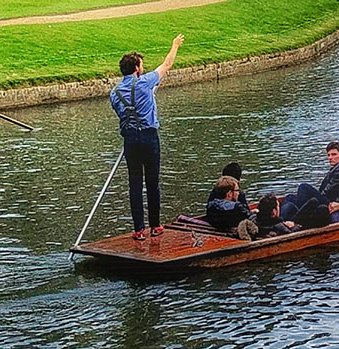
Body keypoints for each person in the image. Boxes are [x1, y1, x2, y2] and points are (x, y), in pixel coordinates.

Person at [110, 34, 187, 240]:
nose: (143, 68)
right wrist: (175, 45)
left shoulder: (114, 92)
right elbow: (167, 64)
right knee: (152, 181)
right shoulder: (145, 83)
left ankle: (138, 230)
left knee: (135, 183)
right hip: (149, 137)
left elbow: (121, 114)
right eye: (141, 65)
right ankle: (155, 226)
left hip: (130, 140)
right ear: (136, 68)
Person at [281, 140, 339, 228]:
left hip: (333, 202)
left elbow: (328, 191)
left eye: (334, 154)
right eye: (328, 155)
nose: (330, 157)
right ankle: (285, 221)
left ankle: (294, 220)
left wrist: (313, 197)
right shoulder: (337, 167)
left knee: (304, 187)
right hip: (328, 198)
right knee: (290, 197)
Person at [205, 175, 260, 240]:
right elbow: (253, 219)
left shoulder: (210, 207)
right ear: (229, 193)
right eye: (237, 190)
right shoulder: (237, 208)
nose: (238, 193)